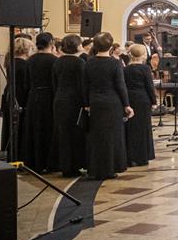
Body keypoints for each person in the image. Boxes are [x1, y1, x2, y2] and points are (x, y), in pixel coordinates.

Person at [83, 32, 133, 180]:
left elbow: (85, 85)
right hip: (113, 102)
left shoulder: (89, 62)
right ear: (110, 46)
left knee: (97, 136)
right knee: (113, 136)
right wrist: (126, 104)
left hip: (95, 102)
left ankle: (96, 168)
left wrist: (86, 103)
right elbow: (120, 86)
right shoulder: (115, 63)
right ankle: (111, 168)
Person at [52, 35, 87, 177]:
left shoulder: (57, 62)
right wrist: (86, 103)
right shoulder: (79, 63)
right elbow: (82, 85)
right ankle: (75, 165)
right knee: (75, 134)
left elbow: (54, 83)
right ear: (78, 46)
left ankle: (65, 165)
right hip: (74, 101)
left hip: (60, 99)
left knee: (63, 133)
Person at [23, 32, 58, 172]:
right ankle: (49, 162)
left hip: (33, 96)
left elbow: (26, 83)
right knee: (49, 129)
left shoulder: (30, 60)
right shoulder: (54, 60)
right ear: (51, 43)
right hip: (49, 97)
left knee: (34, 129)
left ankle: (34, 161)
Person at [123, 44, 157, 166]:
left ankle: (130, 157)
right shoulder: (145, 68)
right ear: (143, 55)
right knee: (143, 128)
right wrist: (154, 101)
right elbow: (149, 86)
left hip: (130, 99)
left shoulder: (125, 69)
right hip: (143, 99)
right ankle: (142, 157)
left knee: (130, 128)